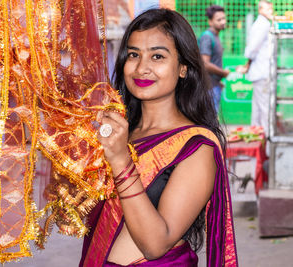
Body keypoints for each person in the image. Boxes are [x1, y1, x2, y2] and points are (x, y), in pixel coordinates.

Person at [79, 8, 238, 267]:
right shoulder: (122, 132)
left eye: (157, 56)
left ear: (183, 68)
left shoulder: (196, 146)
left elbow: (156, 244)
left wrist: (120, 160)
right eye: (133, 54)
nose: (142, 68)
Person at [236, 0, 273, 135]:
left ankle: (260, 142)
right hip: (261, 72)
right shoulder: (263, 24)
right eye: (268, 9)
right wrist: (248, 62)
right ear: (261, 9)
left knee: (259, 109)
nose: (271, 12)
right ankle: (265, 144)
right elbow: (252, 50)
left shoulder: (261, 24)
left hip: (260, 72)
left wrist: (247, 63)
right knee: (263, 110)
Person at [198, 5, 229, 113]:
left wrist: (218, 81)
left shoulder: (216, 36)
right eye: (219, 19)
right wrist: (223, 73)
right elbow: (205, 64)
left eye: (224, 18)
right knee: (209, 121)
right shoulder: (207, 36)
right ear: (210, 22)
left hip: (214, 84)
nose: (223, 21)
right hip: (208, 87)